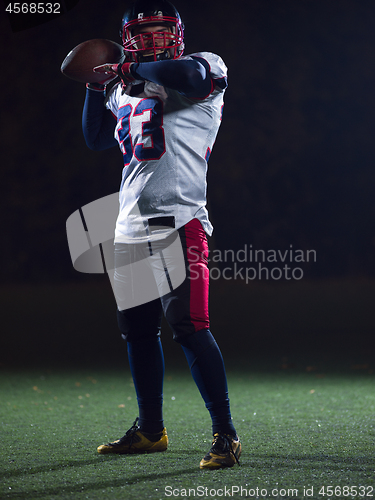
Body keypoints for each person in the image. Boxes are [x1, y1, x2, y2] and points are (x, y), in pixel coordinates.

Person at [81, 0, 241, 469]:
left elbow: (189, 78)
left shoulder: (205, 66)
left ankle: (225, 434)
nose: (153, 39)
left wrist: (130, 66)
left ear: (178, 32)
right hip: (129, 223)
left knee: (191, 328)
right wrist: (97, 83)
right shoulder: (122, 85)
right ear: (129, 36)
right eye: (143, 32)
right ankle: (151, 430)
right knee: (137, 331)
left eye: (160, 30)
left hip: (181, 220)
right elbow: (94, 137)